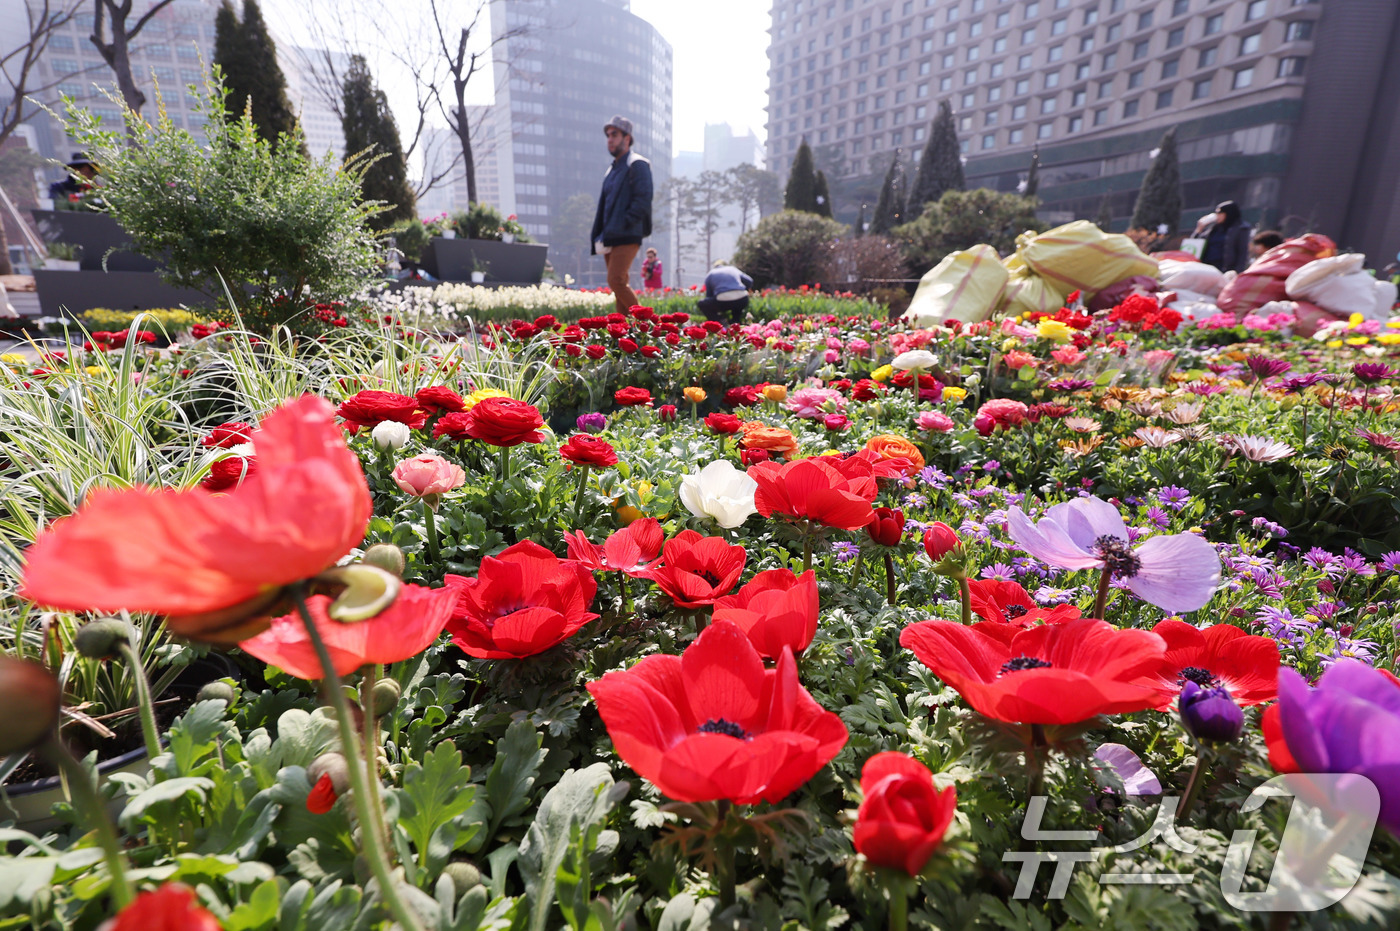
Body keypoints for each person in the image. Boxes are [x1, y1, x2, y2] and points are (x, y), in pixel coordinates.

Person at [591, 116, 653, 314]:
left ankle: (649, 325)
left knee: (615, 280)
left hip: (627, 233)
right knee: (619, 284)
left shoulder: (637, 164)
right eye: (608, 135)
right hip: (610, 235)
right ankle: (623, 333)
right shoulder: (612, 169)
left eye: (615, 135)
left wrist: (627, 222)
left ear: (627, 138)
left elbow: (643, 199)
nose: (610, 139)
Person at [1193, 201, 1251, 273]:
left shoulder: (1241, 228)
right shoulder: (1214, 228)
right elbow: (1195, 243)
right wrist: (1199, 229)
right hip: (1206, 268)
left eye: (1220, 213)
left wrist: (1238, 272)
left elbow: (1243, 252)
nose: (1217, 216)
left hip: (1225, 269)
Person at [697, 260, 754, 325]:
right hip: (742, 298)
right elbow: (749, 281)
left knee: (702, 304)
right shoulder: (732, 269)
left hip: (723, 300)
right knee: (737, 309)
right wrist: (744, 289)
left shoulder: (710, 274)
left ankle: (721, 322)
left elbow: (709, 295)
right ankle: (736, 323)